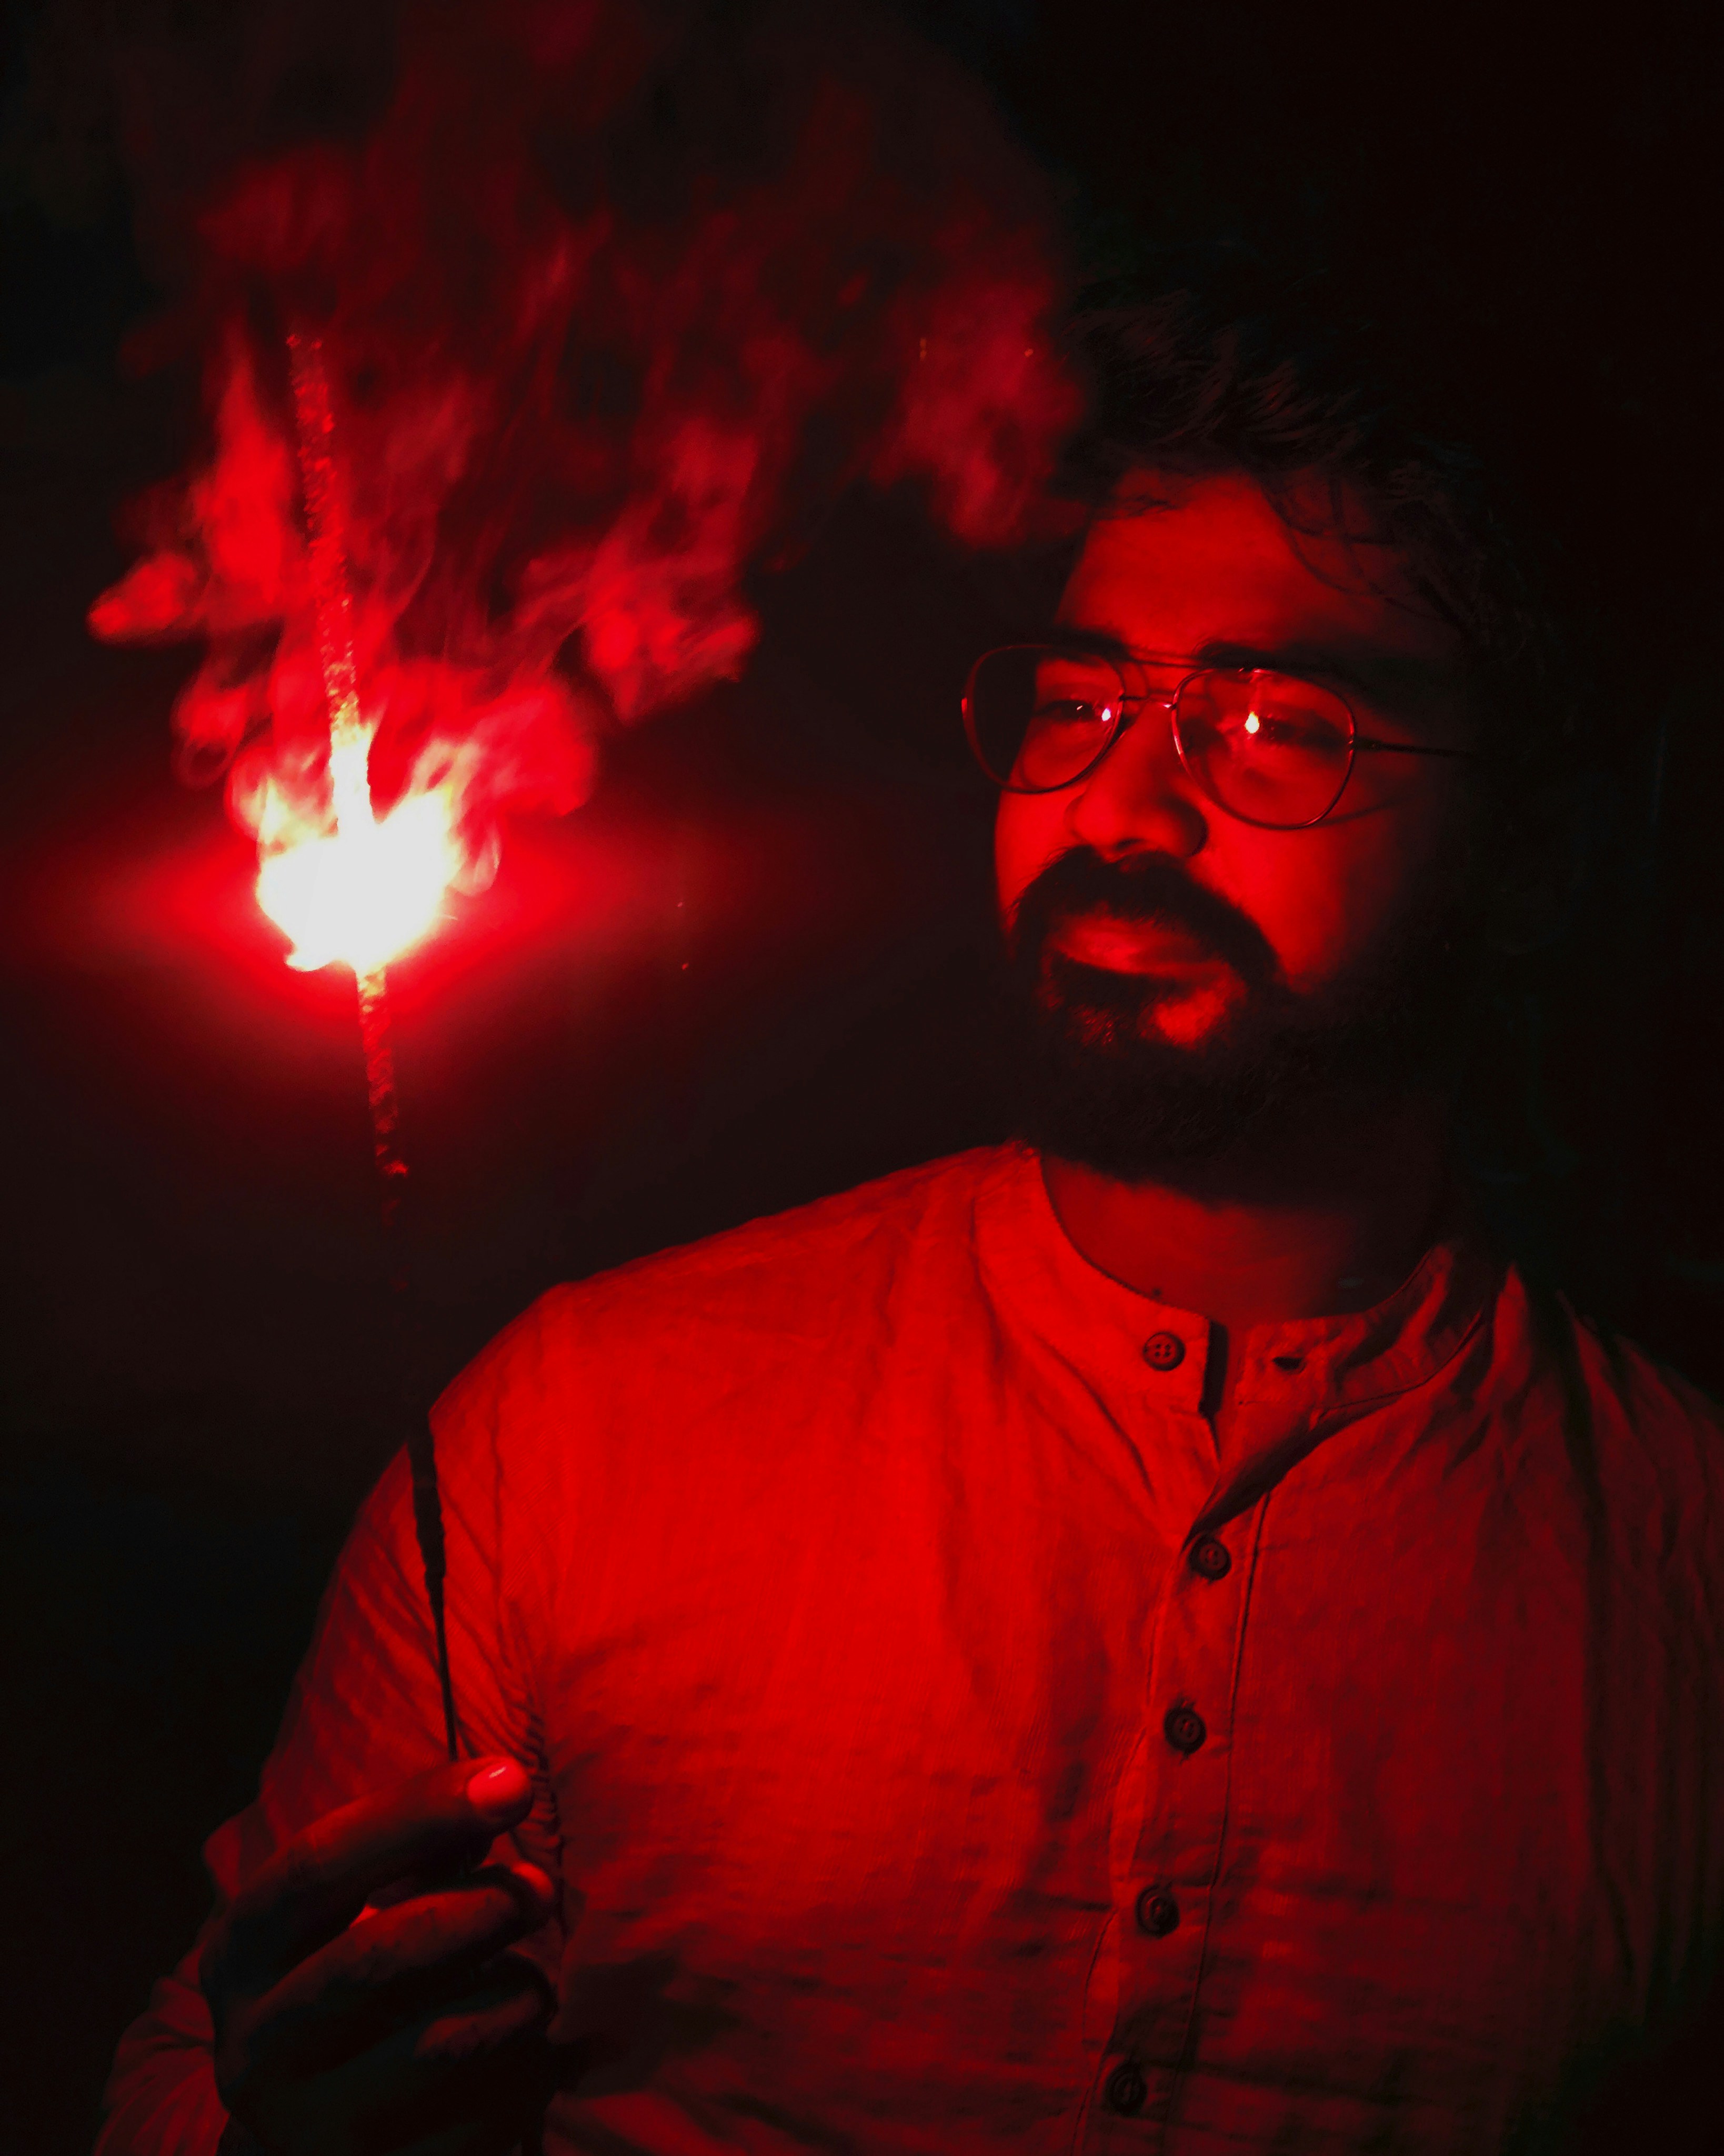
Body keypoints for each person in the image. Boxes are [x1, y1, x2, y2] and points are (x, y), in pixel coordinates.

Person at [96, 281, 1724, 2156]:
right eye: (1085, 697)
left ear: (1528, 856)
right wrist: (281, 2120)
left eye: (1277, 722)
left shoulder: (1676, 1582)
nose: (1125, 798)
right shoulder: (577, 1426)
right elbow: (177, 2069)